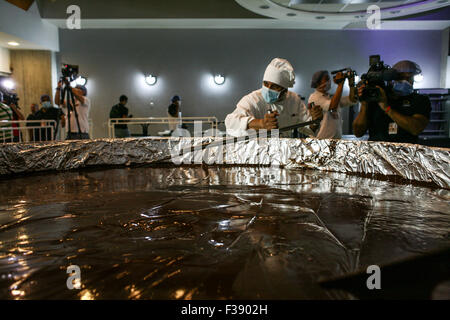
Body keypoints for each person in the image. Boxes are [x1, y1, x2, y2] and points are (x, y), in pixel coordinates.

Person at [225, 58, 322, 137]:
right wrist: (261, 124)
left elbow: (308, 129)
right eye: (266, 84)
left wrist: (315, 121)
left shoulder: (293, 100)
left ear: (284, 89)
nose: (268, 89)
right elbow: (230, 122)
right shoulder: (254, 99)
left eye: (274, 86)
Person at [353, 60, 431, 144]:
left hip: (405, 154)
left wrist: (387, 108)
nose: (405, 81)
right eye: (400, 77)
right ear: (391, 79)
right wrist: (364, 104)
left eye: (408, 78)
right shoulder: (377, 97)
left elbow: (416, 128)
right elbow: (358, 132)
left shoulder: (419, 100)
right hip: (377, 153)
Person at [308, 70, 357, 139]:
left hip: (336, 139)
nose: (329, 81)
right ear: (318, 82)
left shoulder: (331, 97)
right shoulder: (314, 97)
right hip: (322, 140)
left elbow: (352, 100)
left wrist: (351, 84)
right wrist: (340, 84)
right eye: (326, 79)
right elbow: (332, 106)